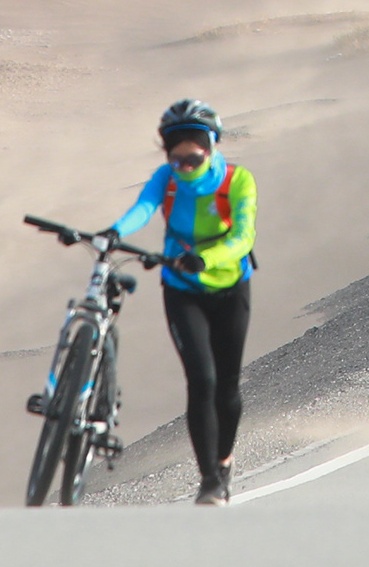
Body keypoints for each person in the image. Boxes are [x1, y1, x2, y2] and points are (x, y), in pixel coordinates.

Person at [99, 97, 257, 504]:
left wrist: (205, 258)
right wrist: (114, 232)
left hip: (230, 287)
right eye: (176, 156)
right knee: (201, 381)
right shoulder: (165, 179)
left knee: (227, 386)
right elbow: (143, 208)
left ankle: (224, 460)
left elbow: (243, 237)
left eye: (193, 154)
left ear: (211, 146)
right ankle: (209, 480)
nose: (184, 165)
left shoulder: (238, 181)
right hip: (182, 291)